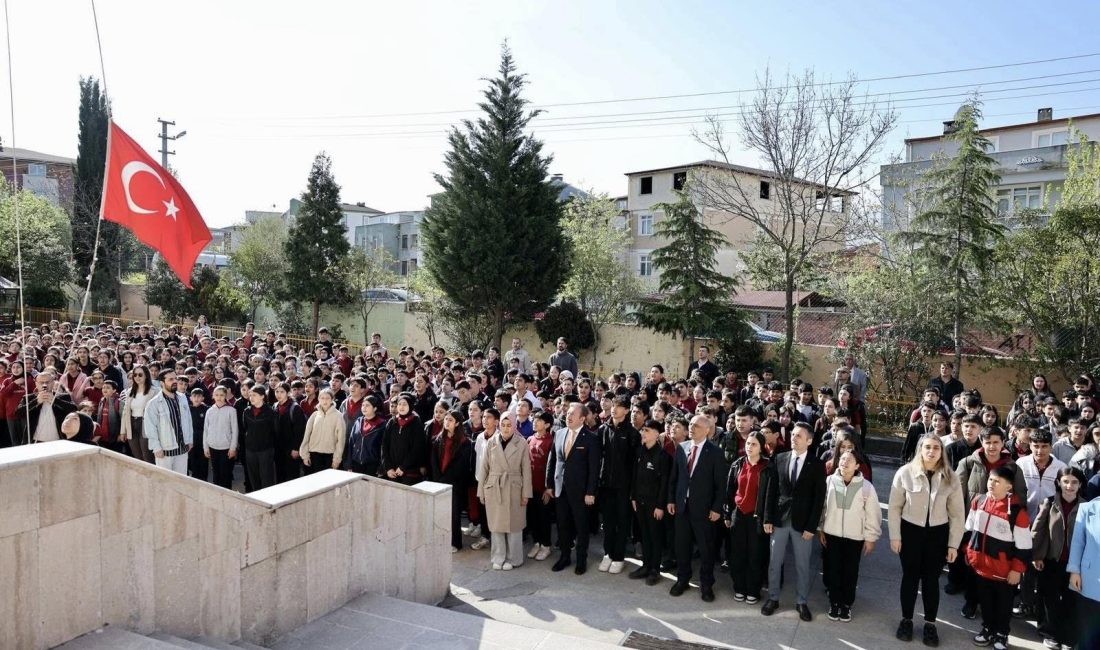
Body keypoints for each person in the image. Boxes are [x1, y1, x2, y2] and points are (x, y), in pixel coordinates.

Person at [889, 434, 965, 647]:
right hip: (910, 532)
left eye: (936, 448)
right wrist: (895, 536)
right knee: (910, 578)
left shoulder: (951, 477)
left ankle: (930, 624)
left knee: (931, 581)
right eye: (928, 447)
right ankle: (906, 620)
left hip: (937, 535)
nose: (932, 452)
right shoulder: (905, 473)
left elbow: (958, 514)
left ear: (942, 452)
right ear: (920, 450)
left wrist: (953, 544)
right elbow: (894, 508)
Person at [762, 422, 826, 620]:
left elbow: (819, 499)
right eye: (793, 435)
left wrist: (811, 526)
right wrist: (767, 518)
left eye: (799, 436)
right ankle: (773, 597)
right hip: (780, 520)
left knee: (802, 564)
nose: (794, 438)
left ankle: (801, 602)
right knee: (774, 562)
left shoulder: (816, 464)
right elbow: (771, 491)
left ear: (809, 440)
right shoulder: (780, 458)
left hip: (803, 524)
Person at [966, 465, 1032, 650]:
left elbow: (1024, 546)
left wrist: (1017, 570)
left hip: (1004, 571)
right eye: (990, 480)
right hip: (980, 565)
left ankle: (1002, 634)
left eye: (997, 481)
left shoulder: (1018, 513)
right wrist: (969, 552)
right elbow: (970, 529)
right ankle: (987, 628)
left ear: (1009, 487)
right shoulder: (978, 501)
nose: (991, 484)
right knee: (985, 601)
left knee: (1003, 605)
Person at [666, 414, 726, 602]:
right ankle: (682, 579)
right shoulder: (682, 448)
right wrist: (671, 499)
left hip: (704, 509)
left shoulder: (715, 452)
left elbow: (720, 484)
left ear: (707, 430)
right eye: (690, 424)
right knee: (681, 545)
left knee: (706, 548)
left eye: (697, 426)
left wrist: (717, 508)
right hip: (682, 506)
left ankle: (706, 584)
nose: (692, 428)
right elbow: (674, 477)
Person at [818, 449, 881, 622]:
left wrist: (870, 538)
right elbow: (822, 507)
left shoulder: (866, 487)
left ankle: (846, 604)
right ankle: (834, 603)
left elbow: (873, 514)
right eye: (843, 458)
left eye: (849, 460)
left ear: (857, 465)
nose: (844, 462)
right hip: (832, 534)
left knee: (850, 571)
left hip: (855, 537)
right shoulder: (829, 481)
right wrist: (821, 528)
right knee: (832, 570)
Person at [1031, 466, 1085, 650]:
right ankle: (1049, 632)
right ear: (1059, 482)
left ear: (1080, 485)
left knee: (1070, 600)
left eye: (1074, 482)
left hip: (1074, 564)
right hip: (1051, 560)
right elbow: (1038, 530)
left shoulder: (1086, 507)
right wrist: (1037, 555)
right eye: (1066, 481)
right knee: (1049, 598)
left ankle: (1067, 636)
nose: (1070, 486)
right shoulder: (1050, 502)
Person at [544, 402, 600, 575]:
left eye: (572, 414)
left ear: (582, 418)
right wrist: (549, 485)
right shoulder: (559, 434)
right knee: (563, 524)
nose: (568, 416)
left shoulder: (591, 438)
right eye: (567, 413)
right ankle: (565, 556)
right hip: (561, 489)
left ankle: (581, 560)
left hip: (580, 491)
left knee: (581, 526)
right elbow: (552, 460)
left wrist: (590, 492)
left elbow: (594, 469)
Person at [477, 411, 532, 570]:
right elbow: (484, 468)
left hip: (514, 486)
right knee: (496, 524)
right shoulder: (491, 442)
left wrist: (526, 493)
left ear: (514, 426)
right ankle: (498, 556)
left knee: (514, 525)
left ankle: (514, 558)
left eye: (509, 425)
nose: (506, 428)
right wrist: (481, 491)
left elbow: (526, 470)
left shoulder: (521, 443)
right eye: (503, 425)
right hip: (494, 486)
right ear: (498, 425)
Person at [723, 430, 773, 603]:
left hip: (756, 517)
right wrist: (727, 514)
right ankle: (739, 588)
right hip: (739, 514)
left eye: (754, 444)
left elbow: (770, 496)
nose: (749, 447)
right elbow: (729, 491)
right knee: (738, 553)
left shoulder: (767, 466)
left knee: (755, 554)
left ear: (761, 447)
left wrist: (767, 519)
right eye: (748, 443)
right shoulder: (737, 464)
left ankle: (753, 590)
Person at [597, 396, 640, 575]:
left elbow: (635, 464)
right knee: (607, 522)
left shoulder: (632, 434)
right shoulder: (603, 429)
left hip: (624, 487)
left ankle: (619, 556)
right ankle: (608, 553)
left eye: (619, 407)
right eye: (613, 405)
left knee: (622, 523)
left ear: (627, 410)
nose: (614, 409)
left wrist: (633, 490)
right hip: (605, 484)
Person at [631, 419, 672, 585]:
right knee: (644, 534)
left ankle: (655, 569)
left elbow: (665, 483)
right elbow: (634, 476)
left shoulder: (663, 456)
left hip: (654, 504)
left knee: (655, 536)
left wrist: (660, 506)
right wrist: (633, 496)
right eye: (642, 430)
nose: (643, 433)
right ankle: (645, 565)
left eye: (647, 431)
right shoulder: (639, 451)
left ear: (656, 434)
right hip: (639, 501)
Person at [431, 409, 473, 552]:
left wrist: (445, 480)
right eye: (446, 419)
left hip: (455, 484)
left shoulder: (465, 443)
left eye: (450, 420)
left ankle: (455, 543)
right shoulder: (438, 439)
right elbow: (434, 461)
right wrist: (438, 478)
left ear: (457, 424)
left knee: (454, 514)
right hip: (439, 481)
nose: (446, 422)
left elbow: (460, 466)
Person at [143, 369, 194, 475]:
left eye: (175, 378)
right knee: (164, 482)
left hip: (183, 449)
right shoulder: (153, 403)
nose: (175, 381)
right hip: (165, 451)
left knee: (181, 480)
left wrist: (189, 440)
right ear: (162, 383)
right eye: (171, 379)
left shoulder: (183, 397)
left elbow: (188, 420)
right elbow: (150, 427)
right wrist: (156, 447)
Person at [1067, 493, 1100, 649]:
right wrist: (1074, 571)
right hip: (1089, 578)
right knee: (1087, 629)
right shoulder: (1088, 508)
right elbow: (1078, 542)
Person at [526, 410, 555, 562]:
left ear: (547, 424)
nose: (535, 422)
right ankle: (536, 542)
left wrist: (548, 488)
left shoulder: (551, 441)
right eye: (534, 419)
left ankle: (546, 545)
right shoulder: (530, 439)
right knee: (533, 517)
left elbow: (552, 466)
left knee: (544, 517)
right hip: (530, 487)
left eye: (539, 420)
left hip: (543, 488)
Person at [381, 392, 426, 485]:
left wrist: (403, 467)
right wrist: (388, 467)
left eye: (405, 404)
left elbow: (417, 449)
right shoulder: (392, 422)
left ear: (410, 406)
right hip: (392, 472)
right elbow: (384, 445)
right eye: (400, 404)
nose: (401, 407)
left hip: (410, 472)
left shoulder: (416, 423)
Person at [299, 388, 345, 475]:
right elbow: (307, 436)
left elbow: (341, 440)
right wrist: (305, 454)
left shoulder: (338, 416)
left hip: (329, 455)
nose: (325, 401)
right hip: (313, 454)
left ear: (332, 399)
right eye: (322, 398)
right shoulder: (315, 415)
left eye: (327, 398)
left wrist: (337, 459)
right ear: (319, 399)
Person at [241, 385, 278, 491]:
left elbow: (275, 431)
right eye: (250, 395)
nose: (251, 398)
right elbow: (245, 428)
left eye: (254, 395)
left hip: (265, 450)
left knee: (267, 478)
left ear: (262, 396)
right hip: (250, 449)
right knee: (253, 477)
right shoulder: (246, 411)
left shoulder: (271, 412)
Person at [203, 385, 239, 489]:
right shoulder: (209, 411)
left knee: (225, 475)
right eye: (216, 395)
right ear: (213, 395)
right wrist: (205, 447)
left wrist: (233, 448)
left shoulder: (231, 410)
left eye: (222, 395)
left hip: (226, 448)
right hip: (213, 447)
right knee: (216, 474)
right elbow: (206, 430)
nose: (219, 397)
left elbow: (235, 430)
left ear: (226, 396)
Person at [120, 366, 155, 463]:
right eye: (134, 375)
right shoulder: (130, 391)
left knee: (147, 456)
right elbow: (125, 412)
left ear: (146, 376)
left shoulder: (155, 391)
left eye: (140, 375)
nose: (137, 377)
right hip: (132, 424)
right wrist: (123, 431)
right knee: (137, 456)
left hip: (146, 425)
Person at [273, 382, 307, 483]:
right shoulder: (275, 406)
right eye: (277, 392)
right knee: (280, 476)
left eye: (282, 392)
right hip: (279, 449)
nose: (279, 394)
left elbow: (300, 430)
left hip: (291, 449)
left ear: (288, 393)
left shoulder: (295, 408)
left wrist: (296, 448)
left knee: (292, 477)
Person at [348, 395, 385, 477]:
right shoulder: (358, 421)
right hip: (356, 463)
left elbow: (384, 448)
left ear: (375, 408)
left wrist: (381, 467)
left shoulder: (382, 425)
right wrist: (349, 464)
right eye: (363, 405)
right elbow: (351, 442)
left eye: (367, 405)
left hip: (372, 465)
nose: (364, 408)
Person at [188, 387, 209, 481]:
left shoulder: (207, 410)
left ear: (203, 398)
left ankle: (204, 482)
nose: (196, 398)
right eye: (194, 396)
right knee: (193, 463)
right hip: (191, 441)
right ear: (190, 398)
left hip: (203, 441)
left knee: (204, 463)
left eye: (199, 396)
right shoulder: (187, 409)